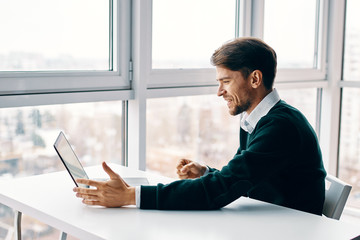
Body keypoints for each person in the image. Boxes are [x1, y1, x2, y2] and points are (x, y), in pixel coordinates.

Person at [73, 37, 327, 215]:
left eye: (226, 81)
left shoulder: (280, 127)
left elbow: (223, 188)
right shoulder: (256, 119)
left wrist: (130, 196)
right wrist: (207, 173)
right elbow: (241, 177)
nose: (219, 92)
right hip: (270, 220)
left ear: (255, 78)